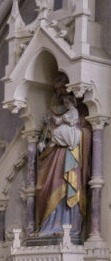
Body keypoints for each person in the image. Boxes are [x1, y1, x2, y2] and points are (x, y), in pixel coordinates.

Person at [35, 71, 91, 238]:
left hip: (71, 157)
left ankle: (68, 228)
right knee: (48, 186)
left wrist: (74, 136)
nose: (61, 92)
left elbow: (87, 133)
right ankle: (48, 226)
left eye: (63, 88)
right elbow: (46, 137)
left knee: (68, 188)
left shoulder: (81, 111)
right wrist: (42, 144)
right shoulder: (53, 113)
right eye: (57, 90)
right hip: (52, 159)